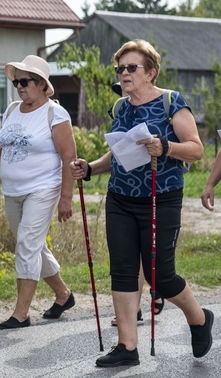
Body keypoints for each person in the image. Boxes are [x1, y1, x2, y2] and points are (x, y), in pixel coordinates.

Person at [71, 39, 213, 367]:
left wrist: (165, 146)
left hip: (160, 198)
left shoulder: (171, 102)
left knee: (160, 276)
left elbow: (195, 148)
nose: (123, 73)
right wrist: (91, 167)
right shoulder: (121, 107)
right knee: (122, 270)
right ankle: (127, 347)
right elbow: (118, 152)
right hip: (120, 197)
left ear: (150, 72)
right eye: (120, 68)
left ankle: (200, 318)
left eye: (131, 67)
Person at [0, 55, 77, 329]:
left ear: (42, 84)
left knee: (27, 245)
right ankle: (63, 295)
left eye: (25, 81)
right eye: (16, 81)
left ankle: (21, 313)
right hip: (12, 190)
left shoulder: (55, 114)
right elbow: (3, 146)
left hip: (43, 188)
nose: (19, 86)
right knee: (32, 245)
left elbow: (69, 158)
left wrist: (66, 198)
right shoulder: (11, 110)